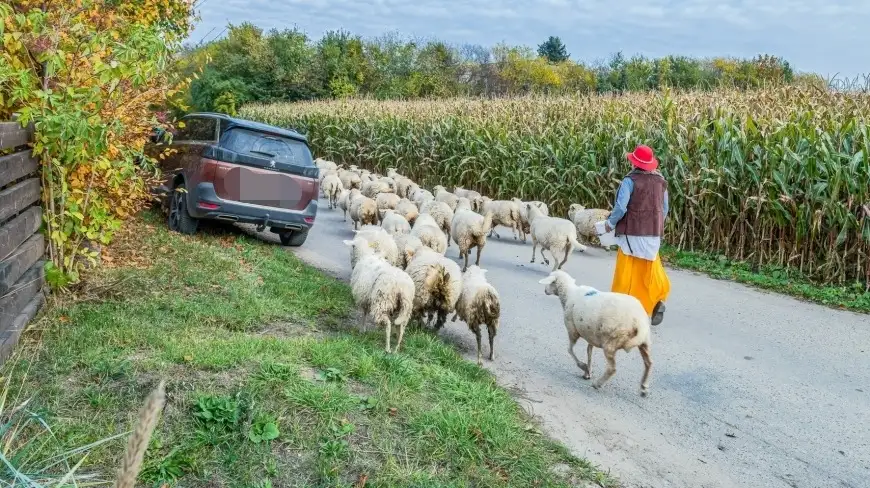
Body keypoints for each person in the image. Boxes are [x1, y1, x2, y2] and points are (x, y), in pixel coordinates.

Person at [603, 144, 671, 325]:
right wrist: (655, 225)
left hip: (631, 233)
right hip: (653, 233)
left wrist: (610, 223)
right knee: (650, 268)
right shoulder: (661, 181)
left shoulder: (629, 180)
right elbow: (664, 209)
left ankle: (619, 307)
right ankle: (657, 300)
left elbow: (621, 207)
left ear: (634, 162)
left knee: (627, 270)